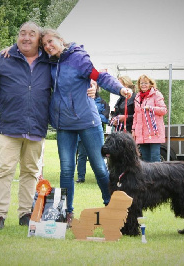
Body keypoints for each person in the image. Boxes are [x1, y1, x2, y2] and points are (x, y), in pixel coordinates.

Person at [41, 28, 132, 226]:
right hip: (64, 124)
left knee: (99, 167)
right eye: (45, 44)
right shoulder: (48, 61)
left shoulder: (78, 59)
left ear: (60, 40)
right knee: (66, 170)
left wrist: (120, 88)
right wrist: (9, 50)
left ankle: (112, 209)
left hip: (87, 121)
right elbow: (26, 50)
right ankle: (66, 214)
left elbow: (99, 76)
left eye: (50, 41)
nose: (48, 46)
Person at [0, 21, 52, 230]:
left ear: (40, 39)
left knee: (31, 172)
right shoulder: (3, 58)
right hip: (10, 126)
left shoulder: (50, 61)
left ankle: (26, 213)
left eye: (32, 34)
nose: (26, 38)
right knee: (4, 171)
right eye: (22, 33)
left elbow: (71, 68)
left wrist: (92, 85)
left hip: (36, 127)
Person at [76, 80, 110, 183]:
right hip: (81, 133)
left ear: (97, 87)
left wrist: (92, 113)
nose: (92, 85)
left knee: (97, 156)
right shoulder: (80, 100)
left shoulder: (103, 102)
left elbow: (105, 118)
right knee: (81, 155)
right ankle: (80, 177)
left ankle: (101, 177)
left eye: (94, 84)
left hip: (95, 134)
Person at [132, 74, 167, 162]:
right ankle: (147, 176)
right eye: (141, 83)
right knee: (145, 159)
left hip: (154, 132)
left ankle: (158, 176)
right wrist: (133, 130)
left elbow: (163, 110)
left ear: (151, 84)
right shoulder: (137, 97)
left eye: (145, 83)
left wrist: (151, 109)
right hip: (141, 134)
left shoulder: (156, 94)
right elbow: (136, 115)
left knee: (155, 159)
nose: (143, 85)